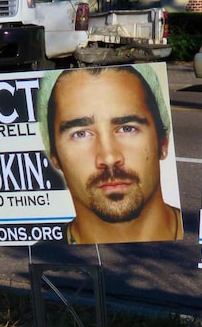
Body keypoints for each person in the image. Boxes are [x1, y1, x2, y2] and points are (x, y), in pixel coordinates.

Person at [41, 65, 183, 244]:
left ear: (162, 142)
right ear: (55, 156)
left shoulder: (199, 238)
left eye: (127, 128)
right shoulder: (43, 255)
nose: (108, 158)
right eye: (80, 134)